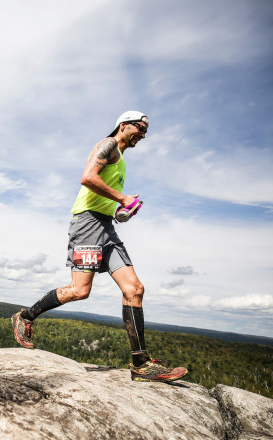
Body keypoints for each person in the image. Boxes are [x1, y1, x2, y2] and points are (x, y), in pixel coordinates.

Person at [11, 111, 187, 383]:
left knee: (135, 289)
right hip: (88, 224)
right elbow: (87, 177)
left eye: (145, 131)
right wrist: (122, 197)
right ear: (124, 124)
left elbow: (100, 188)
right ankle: (25, 316)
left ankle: (141, 363)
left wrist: (118, 207)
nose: (143, 134)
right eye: (140, 128)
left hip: (105, 225)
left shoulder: (122, 158)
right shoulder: (108, 145)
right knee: (80, 291)